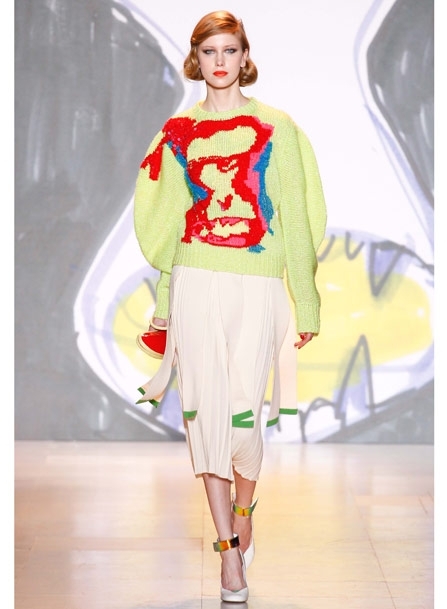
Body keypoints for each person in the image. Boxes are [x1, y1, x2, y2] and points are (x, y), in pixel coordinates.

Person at [133, 10, 327, 603]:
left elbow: (297, 218)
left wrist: (306, 300)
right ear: (196, 60)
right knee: (207, 416)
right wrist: (164, 306)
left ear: (245, 57)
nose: (220, 62)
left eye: (230, 50)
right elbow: (170, 229)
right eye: (209, 51)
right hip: (196, 283)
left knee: (244, 416)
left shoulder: (277, 128)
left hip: (258, 285)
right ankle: (228, 554)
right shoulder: (177, 133)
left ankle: (245, 513)